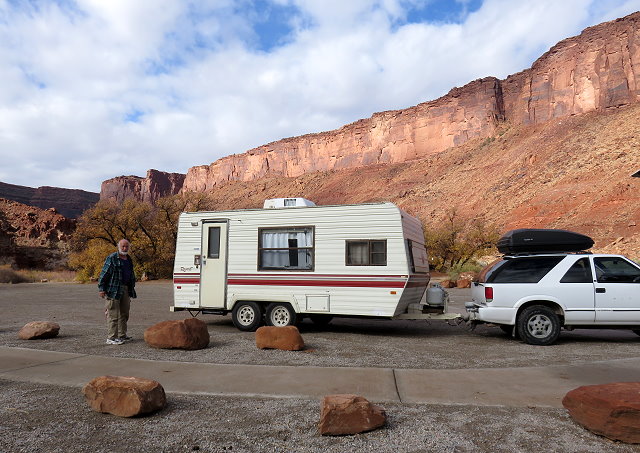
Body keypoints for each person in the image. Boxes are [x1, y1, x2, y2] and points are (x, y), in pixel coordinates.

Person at [98, 239, 137, 345]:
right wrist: (101, 288)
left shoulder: (128, 259)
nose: (125, 248)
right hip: (113, 290)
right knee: (113, 314)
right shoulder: (112, 258)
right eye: (123, 246)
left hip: (125, 289)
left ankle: (122, 335)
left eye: (126, 247)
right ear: (118, 247)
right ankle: (111, 338)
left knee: (124, 313)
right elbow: (104, 274)